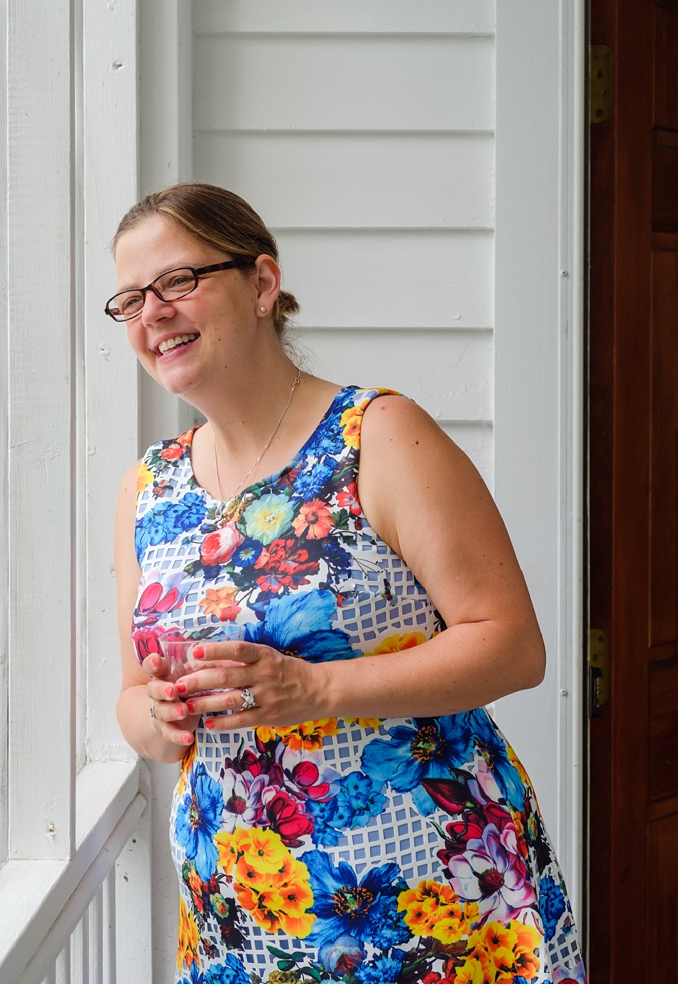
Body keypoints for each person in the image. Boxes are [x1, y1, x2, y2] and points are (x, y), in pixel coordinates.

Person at [109, 184, 584, 983]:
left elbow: (512, 645)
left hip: (430, 896)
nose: (152, 312)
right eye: (130, 299)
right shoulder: (148, 486)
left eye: (179, 282)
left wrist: (318, 688)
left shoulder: (379, 437)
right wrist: (156, 716)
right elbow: (133, 703)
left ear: (262, 285)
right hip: (240, 914)